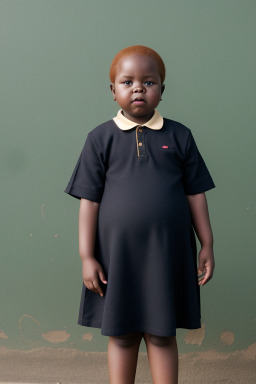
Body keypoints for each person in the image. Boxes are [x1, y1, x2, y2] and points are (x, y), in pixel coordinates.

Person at [64, 45, 215, 384]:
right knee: (122, 332)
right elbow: (88, 201)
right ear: (113, 90)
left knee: (162, 333)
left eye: (149, 82)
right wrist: (87, 255)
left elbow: (195, 193)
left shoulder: (180, 136)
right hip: (118, 256)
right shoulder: (99, 139)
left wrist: (207, 242)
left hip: (167, 253)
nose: (138, 89)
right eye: (127, 82)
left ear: (162, 90)